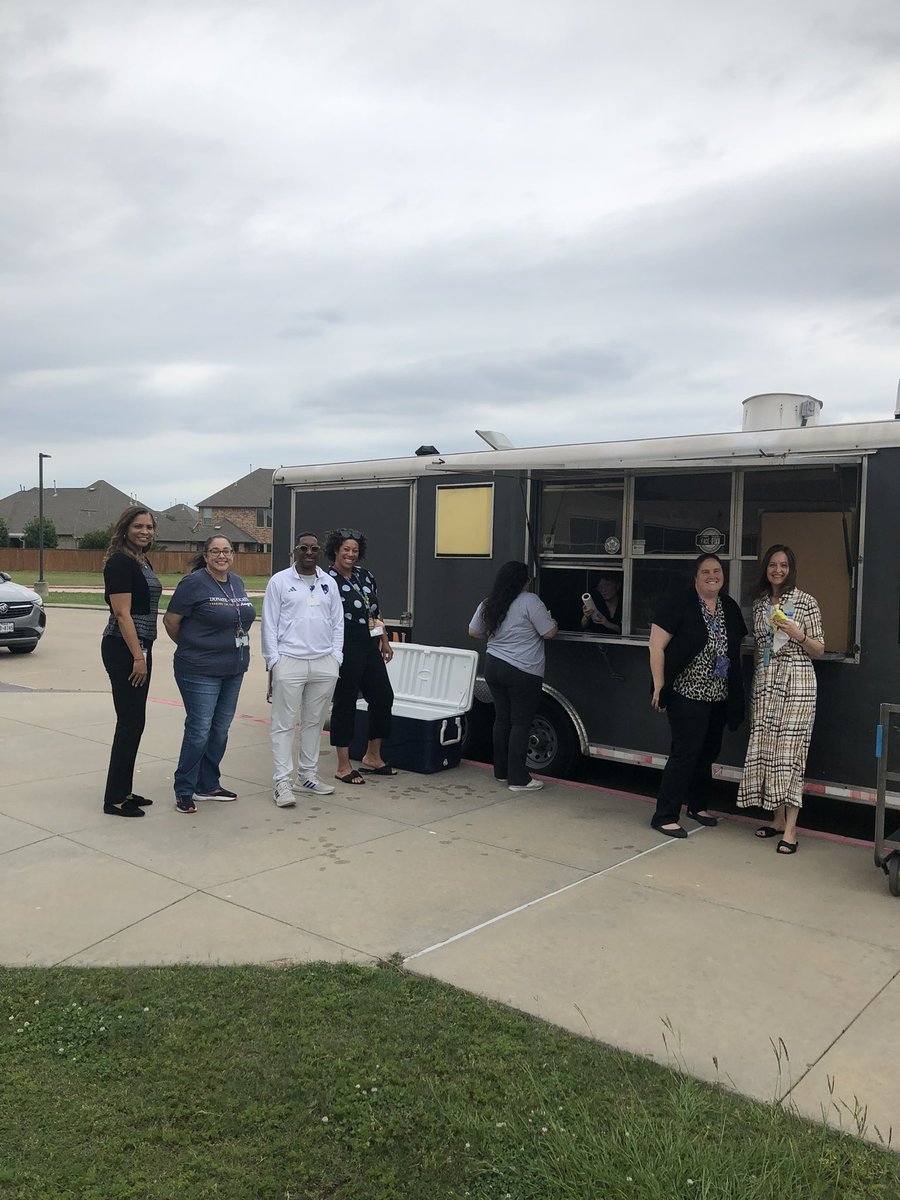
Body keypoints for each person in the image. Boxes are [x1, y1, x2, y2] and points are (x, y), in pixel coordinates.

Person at [648, 554, 747, 838]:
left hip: (719, 695)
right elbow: (656, 646)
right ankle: (664, 815)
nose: (712, 576)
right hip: (686, 693)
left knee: (707, 752)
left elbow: (734, 649)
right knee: (685, 753)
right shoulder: (679, 603)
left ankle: (697, 806)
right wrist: (658, 684)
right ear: (695, 577)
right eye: (705, 572)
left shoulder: (728, 606)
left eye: (717, 571)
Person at [736, 544, 825, 854]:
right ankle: (775, 820)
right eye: (773, 564)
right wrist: (759, 680)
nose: (778, 570)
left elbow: (819, 649)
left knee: (790, 753)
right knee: (767, 749)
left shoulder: (805, 602)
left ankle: (791, 829)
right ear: (766, 569)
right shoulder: (761, 604)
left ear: (791, 569)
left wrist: (795, 632)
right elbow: (760, 645)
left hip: (797, 682)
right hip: (766, 682)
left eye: (783, 565)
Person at [162, 536, 256, 814]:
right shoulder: (193, 583)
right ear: (205, 556)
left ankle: (208, 784)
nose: (221, 556)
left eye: (226, 551)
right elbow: (170, 621)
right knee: (199, 730)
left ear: (233, 555)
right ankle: (184, 788)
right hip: (199, 669)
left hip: (233, 667)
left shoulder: (236, 582)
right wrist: (194, 647)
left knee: (220, 730)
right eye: (215, 551)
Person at [261, 533, 344, 806]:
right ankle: (282, 783)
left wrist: (336, 658)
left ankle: (307, 776)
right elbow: (269, 623)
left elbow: (337, 623)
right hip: (289, 660)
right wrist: (274, 660)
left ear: (320, 552)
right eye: (303, 548)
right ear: (295, 551)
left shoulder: (328, 582)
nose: (309, 552)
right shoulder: (280, 581)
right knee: (283, 724)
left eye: (314, 548)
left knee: (314, 722)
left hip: (323, 662)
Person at [468, 560, 557, 792]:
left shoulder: (491, 602)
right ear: (524, 581)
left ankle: (501, 771)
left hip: (493, 665)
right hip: (523, 670)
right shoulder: (530, 601)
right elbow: (548, 633)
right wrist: (554, 621)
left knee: (502, 719)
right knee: (520, 722)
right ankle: (519, 779)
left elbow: (474, 631)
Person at [100, 506, 162, 818]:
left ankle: (123, 789)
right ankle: (114, 799)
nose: (145, 531)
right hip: (123, 648)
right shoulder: (119, 562)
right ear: (125, 528)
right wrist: (138, 656)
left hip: (141, 646)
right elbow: (121, 613)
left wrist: (143, 651)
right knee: (129, 722)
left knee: (135, 721)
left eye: (149, 527)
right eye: (139, 526)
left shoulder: (141, 559)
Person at [325, 528, 395, 785]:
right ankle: (343, 765)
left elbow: (374, 610)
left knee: (383, 696)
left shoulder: (366, 576)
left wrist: (384, 639)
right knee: (345, 702)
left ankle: (372, 756)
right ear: (336, 550)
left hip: (370, 642)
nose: (350, 555)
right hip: (344, 644)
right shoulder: (327, 579)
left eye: (355, 550)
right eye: (346, 550)